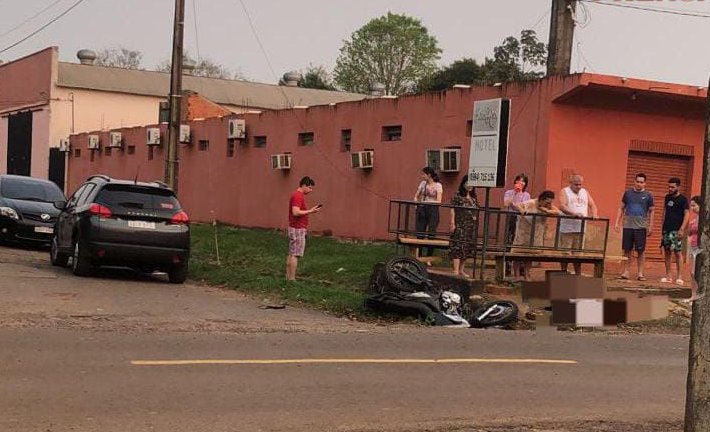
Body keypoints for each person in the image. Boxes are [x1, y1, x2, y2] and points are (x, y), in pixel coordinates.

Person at [614, 173, 654, 281]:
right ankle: (626, 271)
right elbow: (621, 208)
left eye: (641, 182)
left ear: (645, 183)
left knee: (641, 251)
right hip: (628, 225)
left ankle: (640, 273)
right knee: (627, 249)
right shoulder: (627, 193)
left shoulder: (648, 195)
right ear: (634, 181)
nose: (639, 184)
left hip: (641, 227)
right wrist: (617, 222)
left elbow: (651, 211)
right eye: (637, 181)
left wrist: (651, 225)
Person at [513, 190, 561, 280]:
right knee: (517, 255)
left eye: (550, 203)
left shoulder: (548, 206)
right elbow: (518, 205)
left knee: (530, 256)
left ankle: (527, 274)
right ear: (542, 199)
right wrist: (522, 210)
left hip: (536, 234)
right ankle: (516, 275)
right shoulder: (531, 202)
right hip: (524, 232)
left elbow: (557, 212)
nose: (549, 204)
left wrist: (546, 210)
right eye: (547, 202)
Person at [558, 174, 599, 275]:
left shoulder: (585, 192)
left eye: (580, 184)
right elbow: (562, 206)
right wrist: (574, 214)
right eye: (576, 184)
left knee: (578, 254)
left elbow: (592, 204)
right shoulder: (564, 191)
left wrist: (594, 214)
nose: (579, 187)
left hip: (580, 228)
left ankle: (578, 273)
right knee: (565, 253)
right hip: (567, 228)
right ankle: (564, 272)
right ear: (570, 183)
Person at [286, 176, 320, 281]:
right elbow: (295, 212)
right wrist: (311, 211)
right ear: (304, 185)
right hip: (297, 228)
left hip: (295, 227)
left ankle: (288, 277)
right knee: (295, 254)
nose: (311, 190)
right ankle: (292, 279)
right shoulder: (298, 196)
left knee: (292, 253)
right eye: (309, 187)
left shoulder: (297, 195)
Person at [660, 177, 689, 285]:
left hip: (676, 230)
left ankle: (680, 277)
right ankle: (668, 276)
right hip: (666, 229)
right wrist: (662, 227)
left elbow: (687, 214)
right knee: (667, 252)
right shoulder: (667, 197)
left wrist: (682, 229)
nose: (670, 188)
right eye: (669, 187)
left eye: (672, 187)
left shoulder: (683, 200)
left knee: (677, 253)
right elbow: (665, 211)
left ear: (678, 187)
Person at [448, 175, 479, 277]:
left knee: (467, 248)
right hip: (459, 224)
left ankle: (461, 269)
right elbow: (452, 208)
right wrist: (452, 222)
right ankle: (455, 270)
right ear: (463, 183)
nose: (470, 186)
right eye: (468, 183)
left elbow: (477, 209)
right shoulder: (457, 195)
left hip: (470, 226)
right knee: (457, 246)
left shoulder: (474, 197)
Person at [503, 173, 531, 277]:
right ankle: (507, 268)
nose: (520, 183)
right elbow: (506, 203)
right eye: (518, 180)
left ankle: (522, 269)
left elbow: (525, 207)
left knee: (521, 243)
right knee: (510, 242)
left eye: (523, 181)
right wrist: (515, 193)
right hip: (512, 218)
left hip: (522, 220)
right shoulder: (509, 192)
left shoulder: (526, 195)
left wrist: (518, 206)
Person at [413, 166, 443, 260]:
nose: (422, 176)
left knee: (431, 233)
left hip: (433, 209)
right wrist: (416, 203)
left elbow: (439, 200)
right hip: (422, 209)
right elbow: (416, 196)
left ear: (429, 175)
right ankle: (419, 256)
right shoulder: (422, 184)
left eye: (424, 174)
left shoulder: (438, 185)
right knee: (420, 232)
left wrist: (429, 202)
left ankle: (429, 257)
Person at [686, 195, 702, 301]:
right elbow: (689, 233)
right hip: (693, 247)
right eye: (691, 206)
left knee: (697, 272)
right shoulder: (695, 219)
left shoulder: (704, 219)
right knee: (692, 272)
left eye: (694, 206)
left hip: (700, 248)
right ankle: (693, 294)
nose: (692, 208)